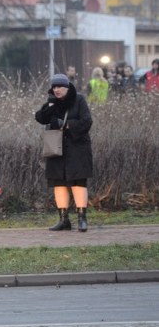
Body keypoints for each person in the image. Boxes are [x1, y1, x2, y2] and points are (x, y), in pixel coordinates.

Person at [34, 73, 93, 232]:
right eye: (54, 87)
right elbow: (40, 118)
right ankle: (63, 220)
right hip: (56, 149)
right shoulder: (53, 102)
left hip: (77, 148)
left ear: (67, 87)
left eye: (60, 86)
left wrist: (66, 125)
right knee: (59, 184)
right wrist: (49, 106)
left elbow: (87, 122)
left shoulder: (79, 99)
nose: (56, 89)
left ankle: (82, 218)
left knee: (77, 183)